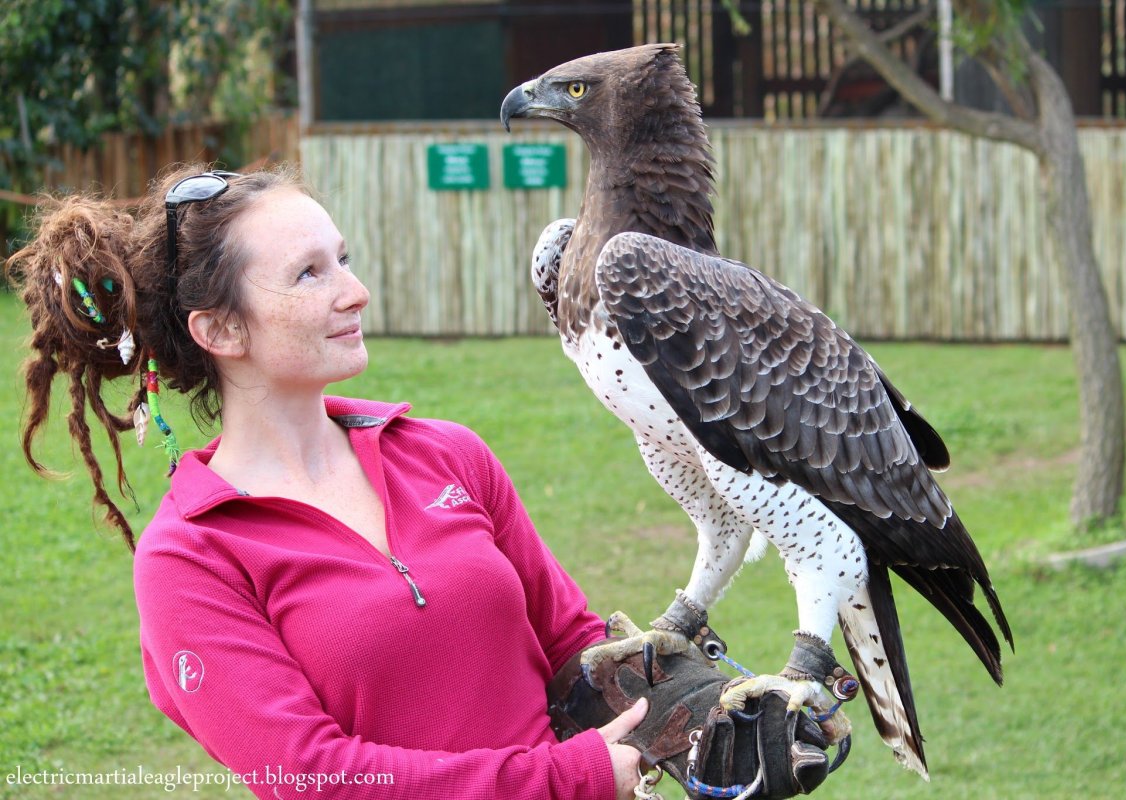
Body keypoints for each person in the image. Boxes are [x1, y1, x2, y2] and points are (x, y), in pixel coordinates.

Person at [7, 163, 651, 800]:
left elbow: (572, 640)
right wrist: (568, 779)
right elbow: (317, 775)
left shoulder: (449, 455)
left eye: (342, 258)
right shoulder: (190, 558)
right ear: (222, 330)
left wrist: (682, 706)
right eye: (310, 273)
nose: (356, 291)